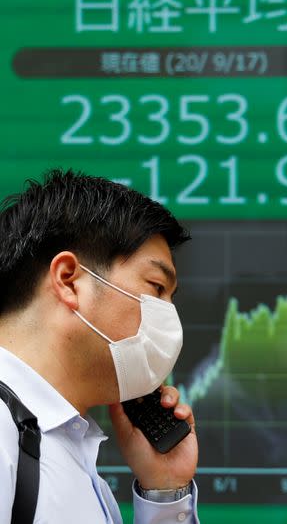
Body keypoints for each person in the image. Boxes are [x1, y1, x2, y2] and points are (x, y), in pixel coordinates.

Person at [0, 170, 200, 523]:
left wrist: (165, 492)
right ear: (69, 281)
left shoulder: (67, 446)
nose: (170, 315)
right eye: (156, 287)